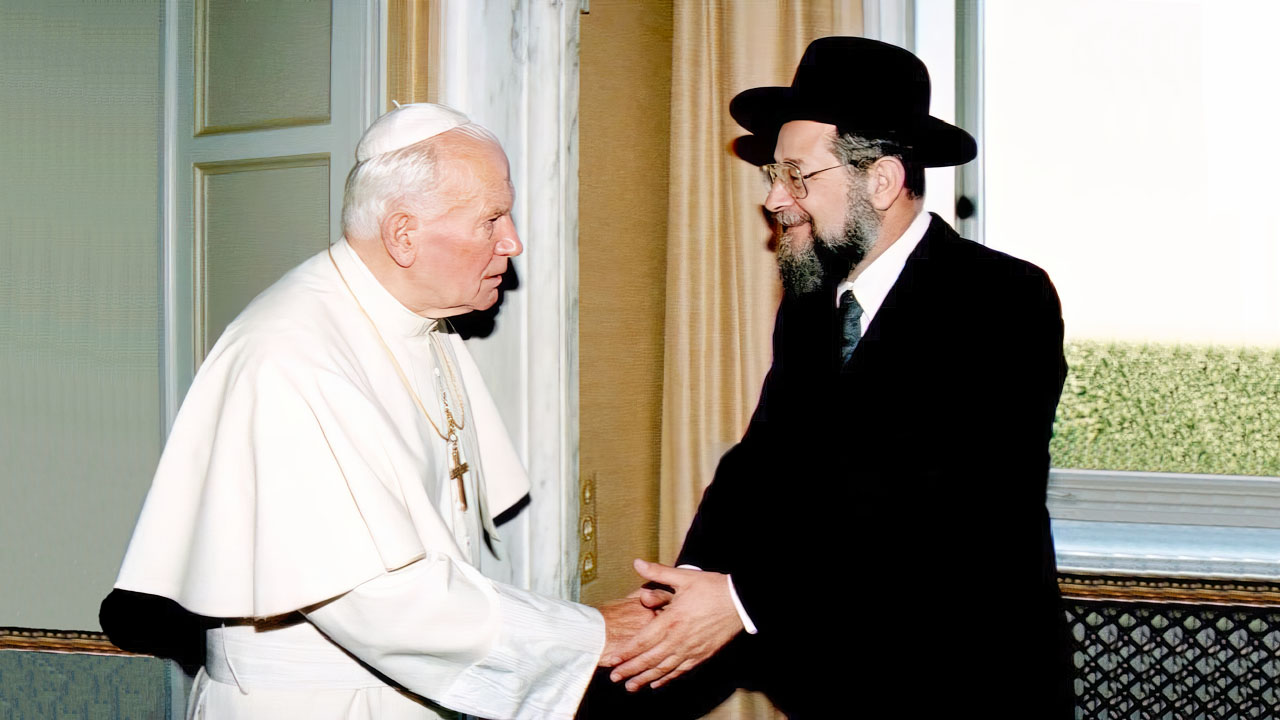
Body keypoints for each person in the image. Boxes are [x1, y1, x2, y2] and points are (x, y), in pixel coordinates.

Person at [104, 103, 650, 720]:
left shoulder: (418, 322)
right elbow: (375, 599)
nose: (512, 241)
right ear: (403, 235)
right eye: (491, 219)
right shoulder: (288, 355)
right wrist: (588, 634)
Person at [583, 37, 1072, 719]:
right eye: (773, 174)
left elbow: (938, 505)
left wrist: (740, 600)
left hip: (967, 682)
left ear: (882, 181)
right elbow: (760, 465)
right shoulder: (814, 302)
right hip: (834, 675)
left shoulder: (1002, 300)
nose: (774, 198)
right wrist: (687, 586)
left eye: (796, 175)